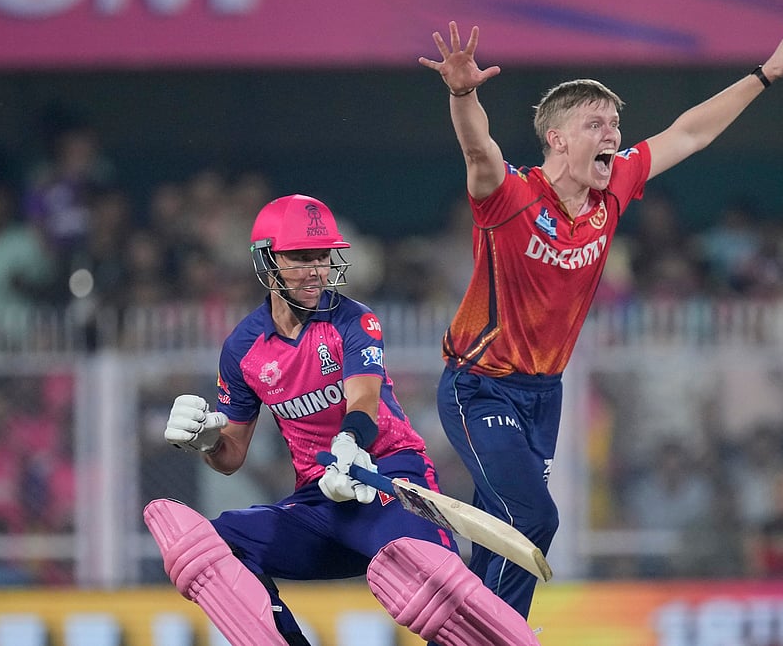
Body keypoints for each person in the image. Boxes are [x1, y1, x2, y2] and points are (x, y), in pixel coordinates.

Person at [418, 7, 783, 618]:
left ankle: (460, 618)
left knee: (503, 525)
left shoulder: (614, 189)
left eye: (616, 124)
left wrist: (762, 75)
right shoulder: (511, 196)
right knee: (532, 517)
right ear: (557, 139)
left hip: (544, 394)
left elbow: (690, 133)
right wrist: (463, 94)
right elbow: (477, 149)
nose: (612, 134)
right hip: (479, 388)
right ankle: (496, 630)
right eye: (595, 124)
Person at [147, 194, 539, 646]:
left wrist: (349, 445)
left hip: (391, 480)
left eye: (322, 256)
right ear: (267, 260)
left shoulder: (355, 321)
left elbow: (364, 402)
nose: (316, 270)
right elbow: (231, 455)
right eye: (300, 257)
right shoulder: (242, 348)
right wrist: (207, 440)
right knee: (219, 545)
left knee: (434, 587)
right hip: (320, 502)